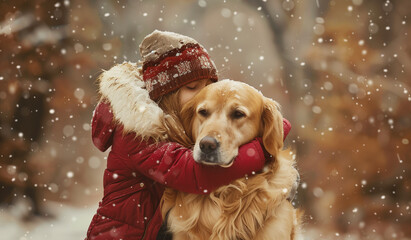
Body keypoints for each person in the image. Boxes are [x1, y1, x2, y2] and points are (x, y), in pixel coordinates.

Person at [85, 30, 290, 240]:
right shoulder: (137, 133)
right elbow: (195, 175)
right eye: (193, 87)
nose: (202, 94)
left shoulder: (181, 126)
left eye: (208, 86)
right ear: (167, 93)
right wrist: (263, 149)